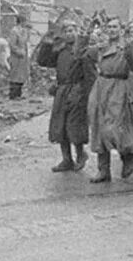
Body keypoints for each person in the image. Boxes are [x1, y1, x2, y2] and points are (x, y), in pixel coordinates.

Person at [86, 17, 133, 183]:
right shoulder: (101, 45)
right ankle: (103, 170)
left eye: (115, 27)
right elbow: (81, 54)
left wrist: (130, 49)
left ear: (121, 29)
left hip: (118, 87)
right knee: (98, 127)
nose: (111, 30)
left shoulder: (126, 46)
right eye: (109, 27)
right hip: (100, 86)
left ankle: (128, 156)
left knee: (114, 127)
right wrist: (86, 33)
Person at [37, 20, 96, 172]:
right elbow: (43, 61)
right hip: (62, 90)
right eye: (66, 31)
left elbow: (90, 74)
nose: (69, 33)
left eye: (72, 30)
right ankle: (66, 159)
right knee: (60, 126)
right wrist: (47, 45)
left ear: (77, 32)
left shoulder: (83, 50)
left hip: (77, 90)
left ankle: (80, 154)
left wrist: (88, 95)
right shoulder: (60, 49)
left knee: (74, 125)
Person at [7, 15, 30, 100]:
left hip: (23, 58)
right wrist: (19, 52)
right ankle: (13, 95)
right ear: (21, 22)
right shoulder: (14, 31)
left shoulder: (24, 31)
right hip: (16, 57)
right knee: (15, 75)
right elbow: (12, 45)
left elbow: (25, 43)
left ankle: (19, 94)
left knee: (21, 76)